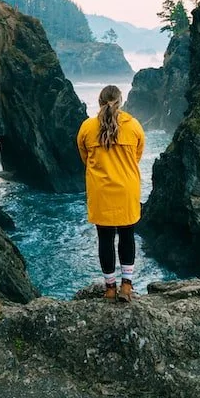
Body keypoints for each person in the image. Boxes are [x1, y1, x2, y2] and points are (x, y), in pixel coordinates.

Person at [76, 84, 145, 302]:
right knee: (127, 236)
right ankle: (127, 286)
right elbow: (137, 155)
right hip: (126, 189)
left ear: (99, 102)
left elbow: (84, 157)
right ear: (120, 101)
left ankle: (109, 288)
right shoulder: (133, 126)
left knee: (104, 239)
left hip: (101, 191)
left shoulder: (87, 127)